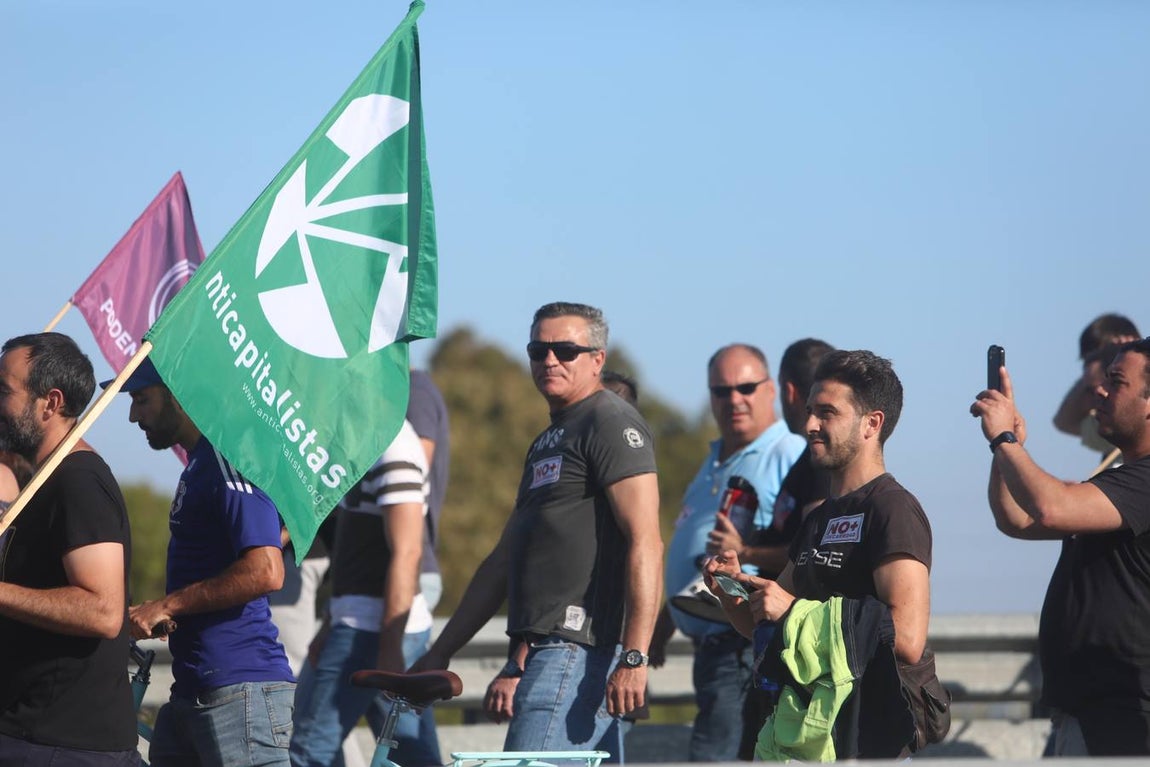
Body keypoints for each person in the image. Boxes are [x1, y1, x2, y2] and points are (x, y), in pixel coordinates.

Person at [412, 302, 662, 760]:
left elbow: (646, 542)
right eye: (538, 349)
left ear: (597, 359)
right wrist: (441, 651)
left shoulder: (609, 420)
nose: (550, 360)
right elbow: (504, 560)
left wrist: (633, 657)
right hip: (545, 652)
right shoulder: (549, 437)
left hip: (576, 652)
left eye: (566, 350)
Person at [708, 350, 935, 760]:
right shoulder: (821, 518)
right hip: (808, 737)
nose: (809, 424)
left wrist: (793, 610)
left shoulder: (893, 509)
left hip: (865, 741)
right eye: (810, 410)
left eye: (826, 413)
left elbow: (907, 638)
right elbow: (767, 622)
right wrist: (729, 589)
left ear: (872, 423)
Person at [971, 337, 1150, 756]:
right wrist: (1007, 447)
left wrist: (1004, 440)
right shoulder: (1121, 483)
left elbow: (1051, 508)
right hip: (1088, 716)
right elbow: (1018, 519)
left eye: (1117, 382)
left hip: (1123, 718)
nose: (1100, 390)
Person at [119, 358, 294, 766]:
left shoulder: (227, 459)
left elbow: (266, 569)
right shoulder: (201, 462)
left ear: (178, 396)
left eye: (141, 399)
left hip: (238, 691)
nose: (132, 415)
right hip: (195, 688)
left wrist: (167, 605)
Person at [481, 367, 646, 756]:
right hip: (582, 653)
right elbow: (516, 569)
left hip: (579, 651)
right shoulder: (552, 452)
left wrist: (635, 659)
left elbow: (643, 550)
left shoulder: (619, 471)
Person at [652, 343, 805, 761]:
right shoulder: (716, 459)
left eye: (746, 387)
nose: (734, 399)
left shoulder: (789, 454)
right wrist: (668, 616)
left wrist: (747, 550)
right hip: (710, 644)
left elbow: (809, 550)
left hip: (743, 641)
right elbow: (698, 551)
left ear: (771, 389)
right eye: (720, 391)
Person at [0, 332, 138, 765]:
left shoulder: (78, 481)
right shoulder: (43, 481)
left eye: (4, 391)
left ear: (50, 403)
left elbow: (103, 610)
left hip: (63, 745)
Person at [290, 420, 432, 767]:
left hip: (368, 632)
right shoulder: (364, 438)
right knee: (413, 758)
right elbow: (354, 546)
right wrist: (329, 621)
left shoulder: (395, 443)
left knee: (307, 753)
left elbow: (407, 552)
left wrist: (390, 648)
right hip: (358, 625)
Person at [732, 337, 834, 759]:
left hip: (804, 658)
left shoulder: (823, 466)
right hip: (774, 646)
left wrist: (747, 553)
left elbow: (811, 547)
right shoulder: (803, 462)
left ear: (788, 390)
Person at [1052, 313, 1140, 462]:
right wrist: (1090, 378)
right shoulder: (1111, 423)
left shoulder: (1136, 423)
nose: (1101, 391)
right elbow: (1064, 421)